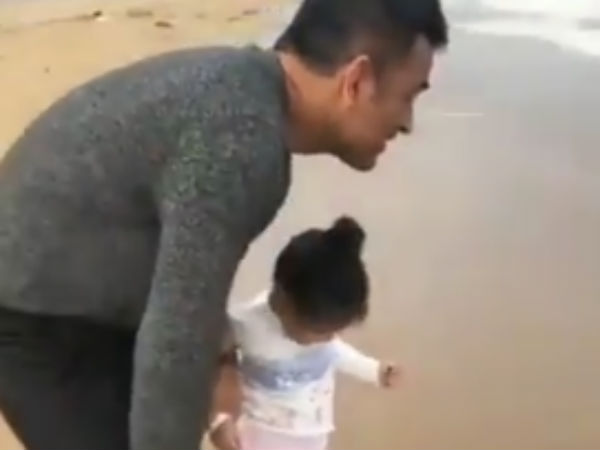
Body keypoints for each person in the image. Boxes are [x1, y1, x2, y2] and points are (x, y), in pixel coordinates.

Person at [0, 0, 447, 448]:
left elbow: (186, 280)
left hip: (78, 288)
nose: (407, 122)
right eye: (409, 96)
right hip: (32, 312)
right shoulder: (243, 143)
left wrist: (221, 354)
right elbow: (176, 339)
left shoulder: (244, 94)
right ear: (357, 81)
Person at [209, 217, 400, 450]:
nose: (328, 339)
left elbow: (336, 354)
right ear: (283, 302)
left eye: (332, 333)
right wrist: (220, 419)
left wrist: (374, 370)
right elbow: (214, 368)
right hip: (259, 432)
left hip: (313, 436)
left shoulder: (323, 339)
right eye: (320, 332)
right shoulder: (245, 324)